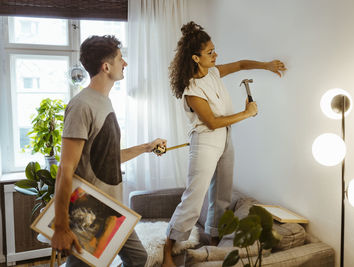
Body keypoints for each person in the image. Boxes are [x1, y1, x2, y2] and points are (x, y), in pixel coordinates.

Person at [162, 22, 286, 267]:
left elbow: (240, 65)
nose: (215, 55)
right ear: (196, 58)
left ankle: (215, 245)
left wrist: (266, 66)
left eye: (214, 50)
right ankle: (168, 249)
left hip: (225, 137)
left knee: (222, 194)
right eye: (210, 53)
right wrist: (247, 113)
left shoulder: (213, 73)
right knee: (193, 200)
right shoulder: (192, 88)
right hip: (206, 140)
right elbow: (211, 122)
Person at [51, 35, 167, 267]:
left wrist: (146, 147)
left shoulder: (104, 102)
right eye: (120, 59)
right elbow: (66, 168)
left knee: (138, 258)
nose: (124, 64)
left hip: (112, 207)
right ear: (106, 66)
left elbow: (107, 159)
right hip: (90, 211)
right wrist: (62, 227)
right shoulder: (82, 105)